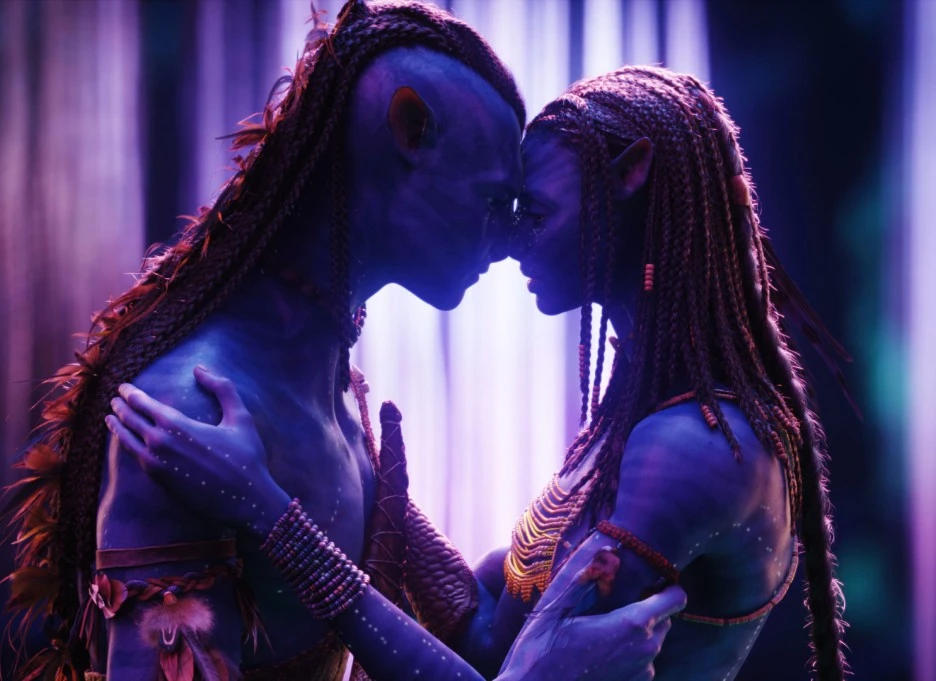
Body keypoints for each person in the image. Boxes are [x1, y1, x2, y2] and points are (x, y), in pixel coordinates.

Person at [4, 3, 683, 680]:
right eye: (492, 203)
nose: (508, 242)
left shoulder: (332, 389)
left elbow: (479, 634)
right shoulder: (190, 413)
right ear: (411, 131)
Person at [109, 66, 851, 680]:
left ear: (630, 175)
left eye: (533, 212)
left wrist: (268, 511)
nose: (510, 241)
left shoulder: (694, 447)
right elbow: (492, 635)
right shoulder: (641, 416)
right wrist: (383, 491)